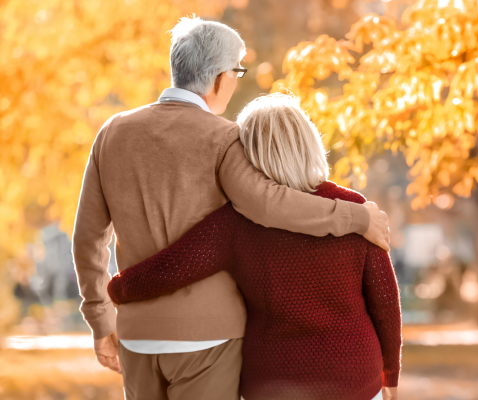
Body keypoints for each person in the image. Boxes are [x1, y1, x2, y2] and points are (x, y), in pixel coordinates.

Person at [72, 17, 390, 400]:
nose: (236, 81)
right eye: (237, 72)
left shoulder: (111, 133)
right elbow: (269, 204)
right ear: (221, 78)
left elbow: (88, 239)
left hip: (137, 335)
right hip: (210, 337)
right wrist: (356, 217)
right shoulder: (223, 138)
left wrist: (100, 317)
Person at [108, 94, 402, 400]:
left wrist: (118, 288)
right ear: (309, 143)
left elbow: (173, 268)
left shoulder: (235, 222)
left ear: (248, 155)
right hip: (354, 379)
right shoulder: (356, 210)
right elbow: (385, 302)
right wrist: (390, 375)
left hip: (271, 382)